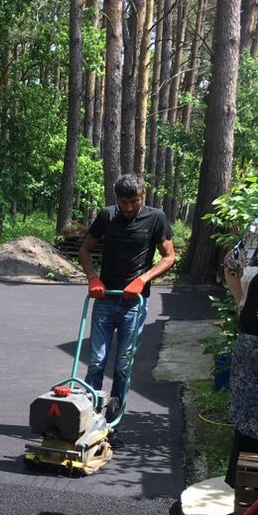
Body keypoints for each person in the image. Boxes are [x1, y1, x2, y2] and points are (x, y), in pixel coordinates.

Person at [78, 175, 176, 424]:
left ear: (143, 194)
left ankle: (113, 421)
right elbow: (85, 249)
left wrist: (142, 280)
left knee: (122, 366)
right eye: (124, 202)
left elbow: (168, 257)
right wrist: (92, 278)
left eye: (134, 201)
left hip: (134, 304)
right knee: (96, 363)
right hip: (106, 298)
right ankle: (88, 418)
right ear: (116, 199)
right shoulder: (107, 216)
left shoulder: (156, 218)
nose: (129, 207)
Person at [217, 216, 258, 515]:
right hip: (252, 349)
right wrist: (240, 303)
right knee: (248, 427)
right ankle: (246, 509)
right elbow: (231, 265)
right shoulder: (257, 232)